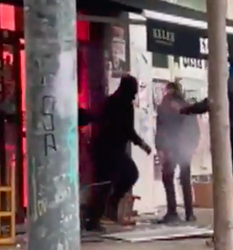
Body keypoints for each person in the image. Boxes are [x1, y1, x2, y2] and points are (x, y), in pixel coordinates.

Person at [84, 74, 151, 231]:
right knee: (126, 175)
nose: (135, 94)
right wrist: (142, 144)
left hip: (104, 149)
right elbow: (128, 130)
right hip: (110, 150)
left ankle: (97, 216)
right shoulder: (123, 105)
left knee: (105, 184)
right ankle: (104, 210)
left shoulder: (110, 102)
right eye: (133, 91)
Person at [156, 82, 199, 223]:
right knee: (185, 179)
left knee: (168, 177)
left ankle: (172, 211)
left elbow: (161, 130)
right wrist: (192, 147)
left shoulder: (164, 107)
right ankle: (189, 213)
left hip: (171, 147)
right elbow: (195, 130)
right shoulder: (187, 106)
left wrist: (161, 149)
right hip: (184, 147)